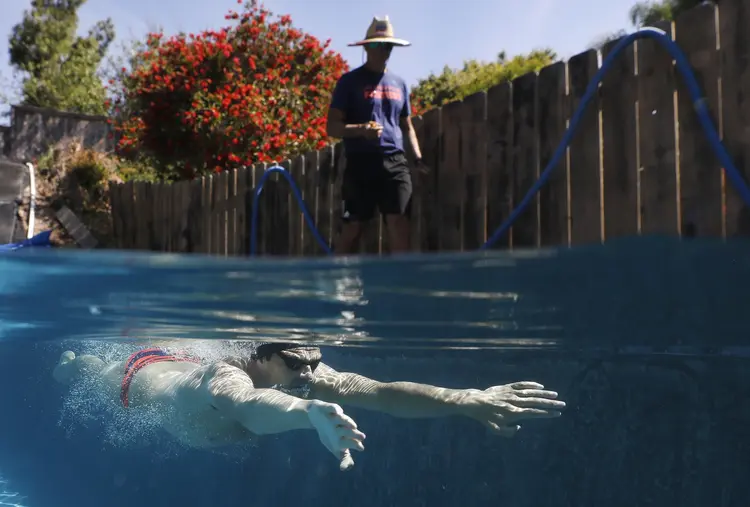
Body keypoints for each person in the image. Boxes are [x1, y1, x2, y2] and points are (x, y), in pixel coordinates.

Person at [52, 342, 566, 471]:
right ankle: (73, 363)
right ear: (263, 356)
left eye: (315, 363)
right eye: (297, 365)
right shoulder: (223, 376)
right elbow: (249, 405)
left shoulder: (307, 375)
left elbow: (383, 392)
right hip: (137, 374)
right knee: (90, 373)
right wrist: (306, 415)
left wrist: (465, 402)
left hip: (182, 372)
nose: (310, 375)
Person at [326, 16, 427, 255]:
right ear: (367, 47)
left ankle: (399, 285)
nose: (384, 50)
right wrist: (360, 130)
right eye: (378, 45)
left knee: (399, 222)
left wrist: (418, 158)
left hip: (395, 162)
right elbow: (332, 128)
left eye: (388, 46)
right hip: (361, 161)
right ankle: (335, 279)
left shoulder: (400, 84)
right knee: (354, 227)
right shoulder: (348, 82)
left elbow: (407, 126)